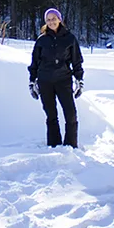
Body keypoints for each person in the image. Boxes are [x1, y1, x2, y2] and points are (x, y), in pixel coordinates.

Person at [28, 8, 84, 148]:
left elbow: (77, 61)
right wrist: (32, 82)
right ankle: (54, 145)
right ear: (45, 22)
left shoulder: (69, 38)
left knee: (70, 113)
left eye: (54, 18)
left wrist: (79, 80)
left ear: (60, 19)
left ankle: (71, 145)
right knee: (51, 115)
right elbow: (34, 63)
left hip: (63, 80)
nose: (51, 21)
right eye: (48, 19)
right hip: (45, 81)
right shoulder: (42, 40)